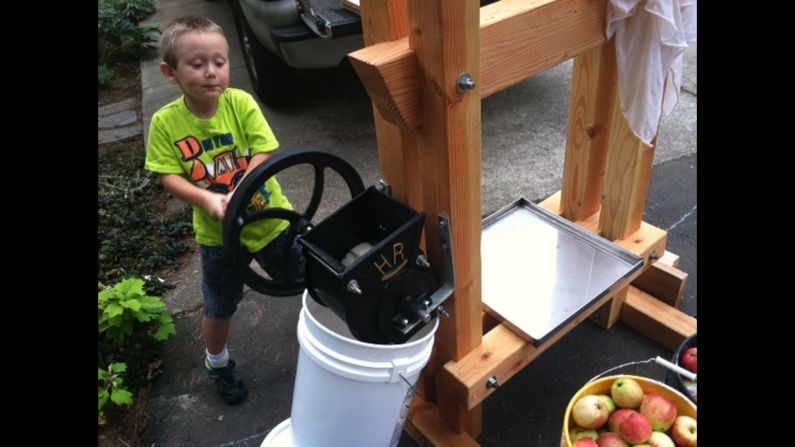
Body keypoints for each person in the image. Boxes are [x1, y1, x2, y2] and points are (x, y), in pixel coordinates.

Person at [145, 15, 304, 405]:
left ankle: (321, 330)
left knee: (309, 276)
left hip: (271, 221)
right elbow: (168, 176)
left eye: (219, 62)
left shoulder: (241, 104)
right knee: (219, 304)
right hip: (220, 237)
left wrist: (241, 186)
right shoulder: (166, 123)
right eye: (197, 65)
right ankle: (217, 361)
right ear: (171, 72)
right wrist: (208, 199)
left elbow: (264, 149)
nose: (211, 72)